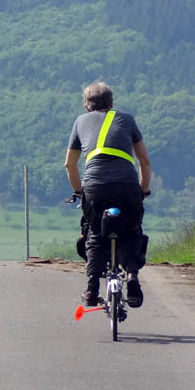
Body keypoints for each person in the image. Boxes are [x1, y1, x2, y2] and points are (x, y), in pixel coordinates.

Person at [65, 81, 151, 307]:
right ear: (112, 103)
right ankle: (132, 275)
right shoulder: (127, 119)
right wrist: (143, 190)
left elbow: (70, 164)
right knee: (132, 229)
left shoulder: (80, 122)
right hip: (127, 185)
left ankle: (92, 287)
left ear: (87, 106)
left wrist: (78, 191)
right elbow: (144, 160)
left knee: (94, 231)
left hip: (95, 188)